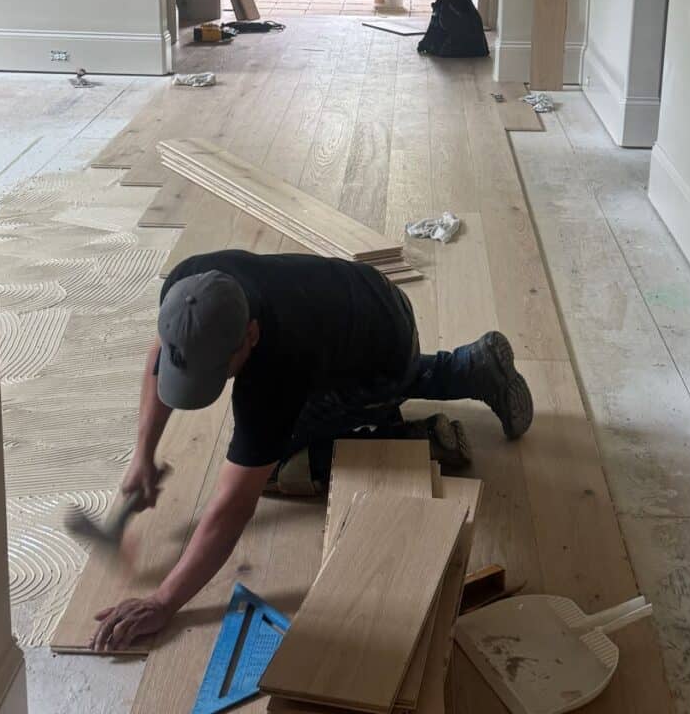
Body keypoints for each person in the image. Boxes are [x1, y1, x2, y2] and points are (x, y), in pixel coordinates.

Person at [91, 250, 533, 651]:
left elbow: (233, 504)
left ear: (251, 334)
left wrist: (165, 600)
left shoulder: (276, 369)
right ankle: (468, 366)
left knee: (281, 466)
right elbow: (162, 353)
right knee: (286, 425)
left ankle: (423, 429)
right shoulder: (191, 286)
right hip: (366, 297)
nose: (217, 381)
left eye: (219, 371)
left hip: (385, 346)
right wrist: (142, 455)